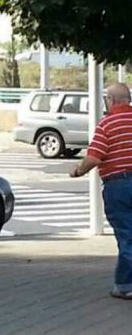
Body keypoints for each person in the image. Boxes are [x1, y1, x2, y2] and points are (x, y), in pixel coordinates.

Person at [70, 82, 132, 300]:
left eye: (107, 98)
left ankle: (125, 285)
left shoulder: (108, 124)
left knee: (127, 236)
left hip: (119, 185)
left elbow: (94, 157)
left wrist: (78, 171)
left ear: (111, 100)